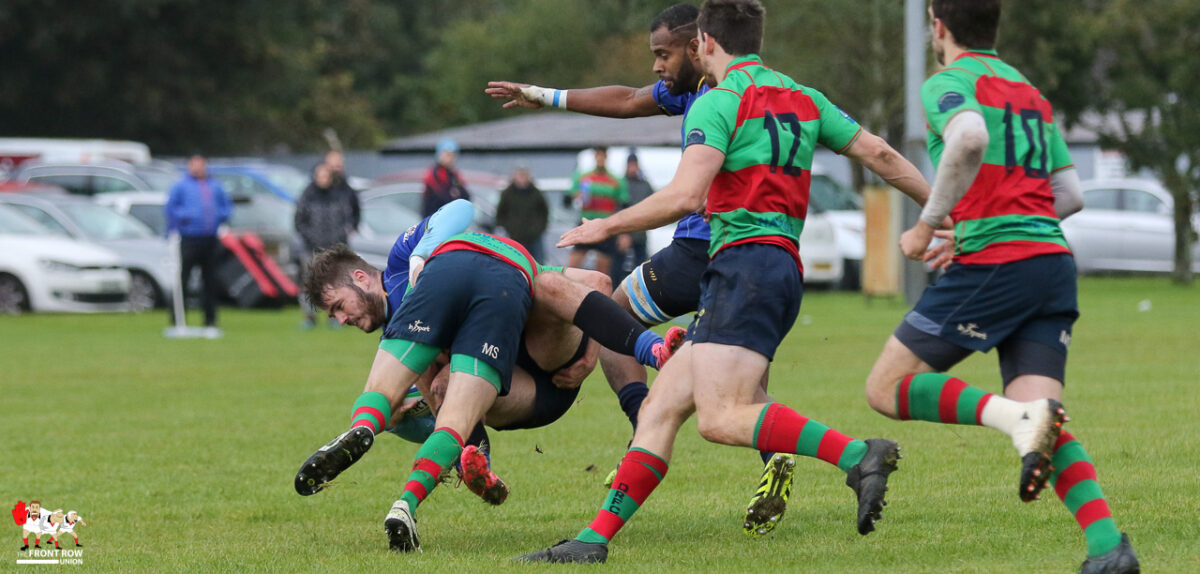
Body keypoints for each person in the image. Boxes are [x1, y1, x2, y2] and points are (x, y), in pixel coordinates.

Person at [488, 1, 932, 537]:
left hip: (742, 266)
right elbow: (881, 154)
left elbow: (686, 194)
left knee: (719, 416)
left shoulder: (717, 102)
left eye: (671, 49)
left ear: (704, 42)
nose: (660, 62)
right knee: (660, 408)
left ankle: (859, 454)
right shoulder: (804, 97)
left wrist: (604, 226)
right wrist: (942, 210)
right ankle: (589, 543)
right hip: (774, 268)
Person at [861, 2, 1138, 573]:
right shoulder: (1028, 91)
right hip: (1051, 262)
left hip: (998, 264)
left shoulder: (950, 82)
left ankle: (1015, 423)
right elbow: (1070, 194)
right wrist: (987, 222)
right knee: (1042, 414)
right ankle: (1109, 548)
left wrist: (928, 225)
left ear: (938, 24)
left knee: (887, 389)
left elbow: (967, 138)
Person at [165, 154, 232, 335]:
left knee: (209, 280)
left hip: (209, 238)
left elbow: (226, 207)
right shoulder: (181, 186)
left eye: (200, 164)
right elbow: (171, 209)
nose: (197, 168)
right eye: (194, 164)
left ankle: (210, 320)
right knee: (183, 279)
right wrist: (185, 218)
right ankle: (177, 319)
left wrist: (219, 218)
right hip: (189, 238)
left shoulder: (215, 186)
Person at [295, 162, 360, 328]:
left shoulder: (339, 195)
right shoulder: (307, 195)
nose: (323, 179)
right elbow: (299, 222)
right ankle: (309, 318)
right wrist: (311, 238)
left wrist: (343, 234)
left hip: (335, 247)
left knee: (336, 284)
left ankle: (335, 317)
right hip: (312, 248)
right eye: (320, 175)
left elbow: (350, 216)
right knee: (309, 283)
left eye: (326, 176)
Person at [563, 147, 629, 277]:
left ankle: (599, 295)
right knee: (572, 264)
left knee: (603, 270)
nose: (600, 159)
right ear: (595, 157)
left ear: (606, 157)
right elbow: (566, 201)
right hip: (585, 223)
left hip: (606, 226)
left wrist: (624, 233)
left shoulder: (616, 180)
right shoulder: (583, 177)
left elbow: (624, 207)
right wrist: (574, 196)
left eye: (602, 156)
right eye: (598, 156)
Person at [495, 164, 549, 262]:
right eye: (520, 175)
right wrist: (508, 228)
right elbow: (501, 212)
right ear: (514, 176)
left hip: (534, 236)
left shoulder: (536, 193)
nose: (522, 178)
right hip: (515, 236)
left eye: (524, 175)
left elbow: (544, 212)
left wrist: (539, 228)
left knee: (538, 262)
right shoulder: (507, 193)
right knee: (515, 262)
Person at [615, 153, 654, 281]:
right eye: (630, 165)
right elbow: (618, 208)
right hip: (624, 233)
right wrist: (622, 233)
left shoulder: (645, 185)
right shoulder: (621, 184)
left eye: (634, 165)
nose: (632, 168)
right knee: (619, 269)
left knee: (641, 268)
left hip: (640, 234)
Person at [421, 139, 470, 217]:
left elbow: (466, 196)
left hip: (448, 218)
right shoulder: (433, 174)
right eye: (447, 155)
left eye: (453, 156)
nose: (451, 159)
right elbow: (443, 197)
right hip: (434, 220)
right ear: (439, 155)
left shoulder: (454, 174)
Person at [323, 150, 361, 235]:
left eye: (338, 166)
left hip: (340, 241)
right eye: (332, 167)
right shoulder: (315, 190)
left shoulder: (348, 190)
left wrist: (350, 229)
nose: (335, 170)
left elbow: (356, 212)